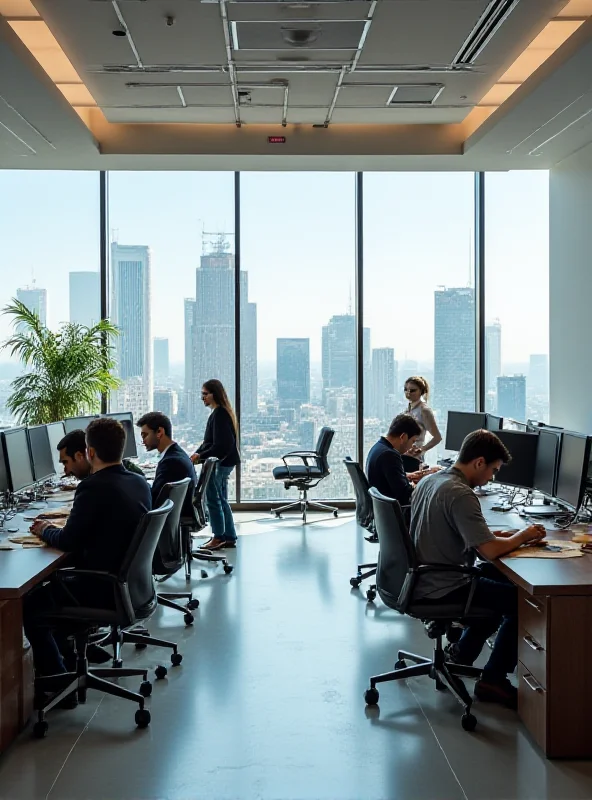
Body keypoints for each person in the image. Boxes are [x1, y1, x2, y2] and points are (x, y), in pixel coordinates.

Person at [410, 429, 546, 709]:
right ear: (479, 462)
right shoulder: (460, 494)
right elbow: (489, 551)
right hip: (445, 584)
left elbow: (465, 534)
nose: (491, 478)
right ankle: (493, 680)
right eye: (493, 470)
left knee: (501, 581)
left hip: (424, 576)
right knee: (520, 602)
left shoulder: (433, 480)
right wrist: (524, 535)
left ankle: (462, 653)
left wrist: (499, 535)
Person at [24, 417, 153, 684]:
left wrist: (44, 529)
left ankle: (58, 680)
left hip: (101, 588)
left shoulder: (93, 488)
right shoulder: (138, 482)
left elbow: (69, 540)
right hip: (131, 585)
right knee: (50, 589)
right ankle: (70, 661)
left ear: (90, 452)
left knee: (30, 605)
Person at [190, 379, 240, 550]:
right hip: (224, 461)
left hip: (220, 463)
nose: (202, 397)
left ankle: (219, 537)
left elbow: (220, 446)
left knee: (214, 499)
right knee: (221, 499)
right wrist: (198, 454)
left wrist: (201, 456)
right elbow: (209, 442)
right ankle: (229, 536)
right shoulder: (220, 413)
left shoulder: (219, 415)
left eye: (205, 394)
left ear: (214, 394)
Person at [366, 413, 437, 510]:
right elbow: (406, 495)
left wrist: (409, 476)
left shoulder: (379, 447)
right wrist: (424, 482)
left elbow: (388, 477)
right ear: (403, 437)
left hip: (382, 511)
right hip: (396, 512)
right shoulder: (390, 455)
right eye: (413, 441)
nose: (412, 446)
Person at [137, 411, 196, 516]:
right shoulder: (177, 454)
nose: (143, 441)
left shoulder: (170, 463)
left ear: (159, 432)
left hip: (173, 515)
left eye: (145, 435)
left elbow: (153, 499)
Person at [403, 376, 442, 462]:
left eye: (413, 390)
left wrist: (422, 450)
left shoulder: (424, 410)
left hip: (413, 457)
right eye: (405, 389)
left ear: (421, 391)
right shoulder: (408, 408)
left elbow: (437, 437)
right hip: (404, 454)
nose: (408, 393)